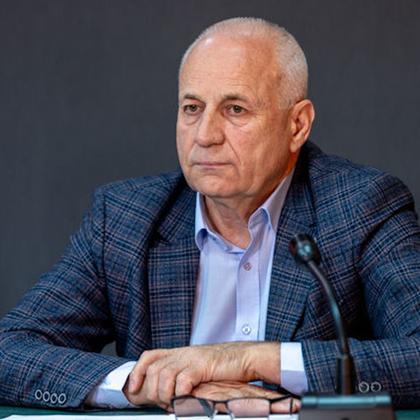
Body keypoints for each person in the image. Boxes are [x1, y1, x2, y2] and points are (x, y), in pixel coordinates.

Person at [0, 17, 419, 413]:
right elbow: (10, 350)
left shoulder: (361, 207)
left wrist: (249, 359)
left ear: (297, 125)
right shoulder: (126, 219)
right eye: (192, 108)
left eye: (235, 109)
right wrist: (145, 383)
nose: (205, 135)